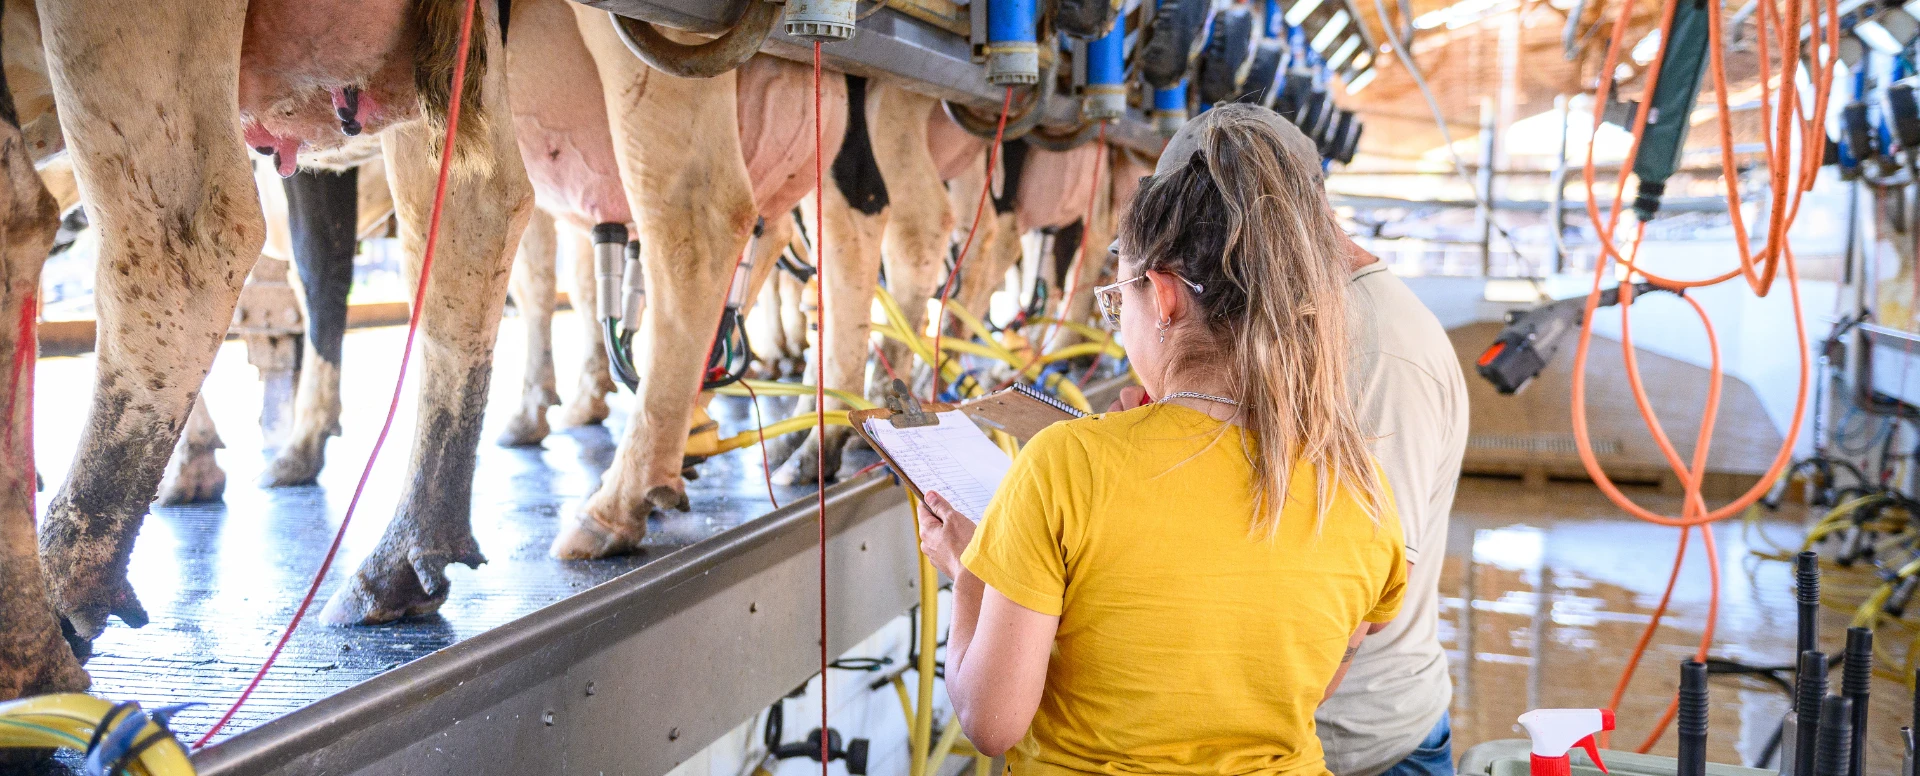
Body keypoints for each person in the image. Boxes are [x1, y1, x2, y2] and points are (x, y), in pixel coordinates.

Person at [915, 107, 1409, 775]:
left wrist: (972, 574)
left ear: (1165, 296)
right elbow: (1308, 685)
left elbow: (991, 722)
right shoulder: (1356, 482)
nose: (1120, 324)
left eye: (1119, 301)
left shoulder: (1067, 464)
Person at [1158, 104, 1469, 776]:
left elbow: (1366, 587)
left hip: (1359, 745)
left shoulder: (1371, 347)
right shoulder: (1302, 320)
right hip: (1292, 727)